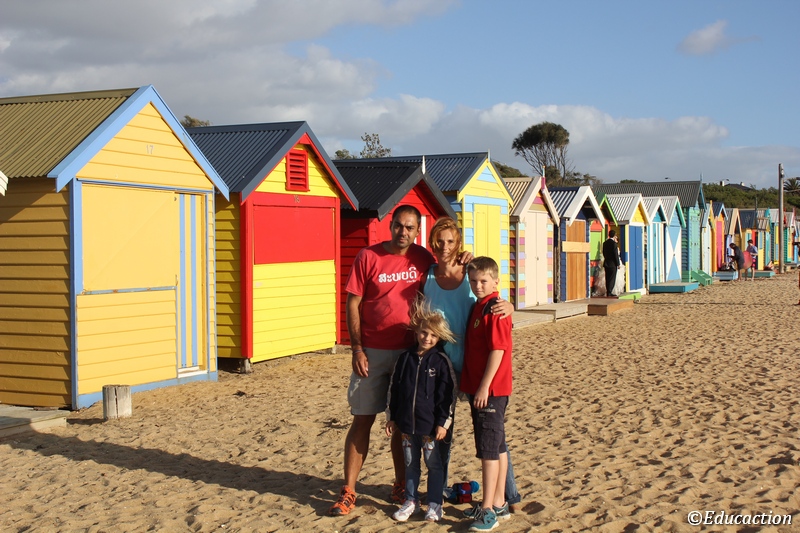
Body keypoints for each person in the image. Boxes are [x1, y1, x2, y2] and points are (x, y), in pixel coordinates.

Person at [329, 205, 435, 516]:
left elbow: (450, 276)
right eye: (399, 225)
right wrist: (357, 349)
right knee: (363, 419)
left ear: (418, 231)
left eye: (410, 228)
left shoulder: (423, 259)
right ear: (391, 226)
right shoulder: (368, 257)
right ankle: (349, 490)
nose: (404, 232)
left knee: (401, 424)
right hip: (371, 352)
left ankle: (400, 485)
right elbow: (353, 302)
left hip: (408, 354)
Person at [421, 217, 522, 512]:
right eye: (439, 241)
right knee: (442, 430)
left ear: (458, 244)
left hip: (476, 367)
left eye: (451, 241)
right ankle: (437, 492)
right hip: (443, 365)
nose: (445, 247)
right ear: (432, 243)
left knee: (492, 433)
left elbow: (493, 297)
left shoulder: (470, 272)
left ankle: (509, 496)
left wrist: (511, 305)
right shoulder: (427, 276)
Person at [385, 300, 458, 523]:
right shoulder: (404, 358)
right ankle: (411, 500)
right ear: (417, 331)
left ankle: (435, 503)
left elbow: (447, 396)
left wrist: (443, 423)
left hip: (431, 428)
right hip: (407, 426)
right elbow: (394, 389)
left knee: (433, 464)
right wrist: (392, 417)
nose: (427, 338)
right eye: (424, 333)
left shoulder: (441, 361)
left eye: (433, 335)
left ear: (439, 338)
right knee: (410, 464)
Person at [460, 257, 514, 531]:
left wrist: (484, 386)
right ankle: (499, 501)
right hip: (482, 388)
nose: (478, 285)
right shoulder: (478, 306)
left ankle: (488, 509)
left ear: (495, 281)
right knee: (497, 445)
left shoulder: (495, 309)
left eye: (483, 281)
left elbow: (498, 349)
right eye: (473, 281)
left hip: (491, 391)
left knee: (489, 450)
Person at [602, 230, 622, 297]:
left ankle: (608, 291)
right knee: (612, 278)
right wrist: (618, 264)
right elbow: (615, 255)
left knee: (607, 278)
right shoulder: (614, 244)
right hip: (612, 264)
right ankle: (609, 292)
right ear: (614, 235)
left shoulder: (605, 243)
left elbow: (604, 253)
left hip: (606, 262)